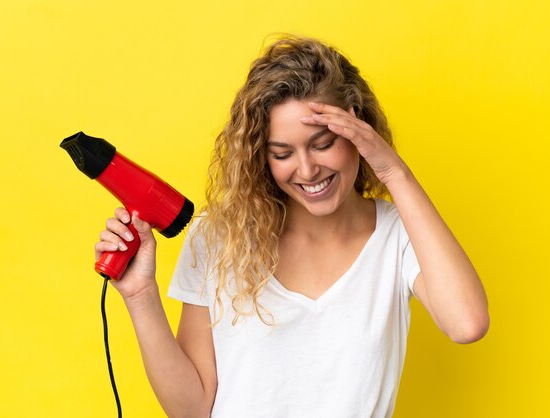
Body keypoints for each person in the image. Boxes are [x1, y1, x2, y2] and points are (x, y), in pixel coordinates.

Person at [95, 35, 489, 418]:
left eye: (322, 143)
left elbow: (466, 323)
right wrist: (140, 295)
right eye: (282, 153)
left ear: (358, 129)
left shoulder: (400, 235)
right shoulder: (219, 236)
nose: (307, 169)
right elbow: (192, 409)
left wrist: (392, 170)